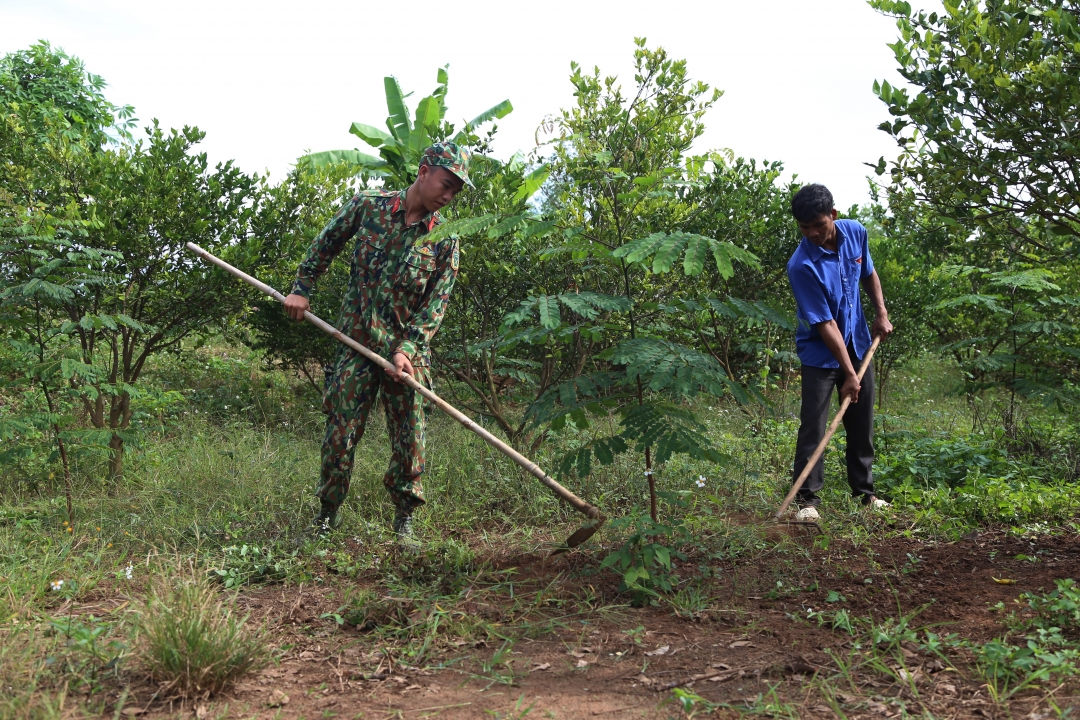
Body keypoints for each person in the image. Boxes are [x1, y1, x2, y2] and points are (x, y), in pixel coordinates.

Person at [282, 142, 471, 546]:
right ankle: (326, 517)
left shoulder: (445, 240)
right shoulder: (368, 207)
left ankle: (404, 521)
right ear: (424, 171)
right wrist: (301, 289)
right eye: (446, 183)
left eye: (456, 191)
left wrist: (407, 350)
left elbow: (436, 305)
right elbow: (324, 244)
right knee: (340, 431)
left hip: (407, 354)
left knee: (410, 437)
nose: (448, 195)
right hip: (355, 342)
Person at [786, 184, 893, 521]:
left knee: (862, 423)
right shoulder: (802, 265)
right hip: (821, 354)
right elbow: (825, 325)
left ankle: (865, 494)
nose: (813, 233)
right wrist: (849, 373)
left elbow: (869, 273)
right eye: (805, 228)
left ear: (833, 215)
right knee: (814, 426)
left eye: (819, 224)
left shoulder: (855, 233)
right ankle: (807, 502)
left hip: (859, 341)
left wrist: (881, 313)